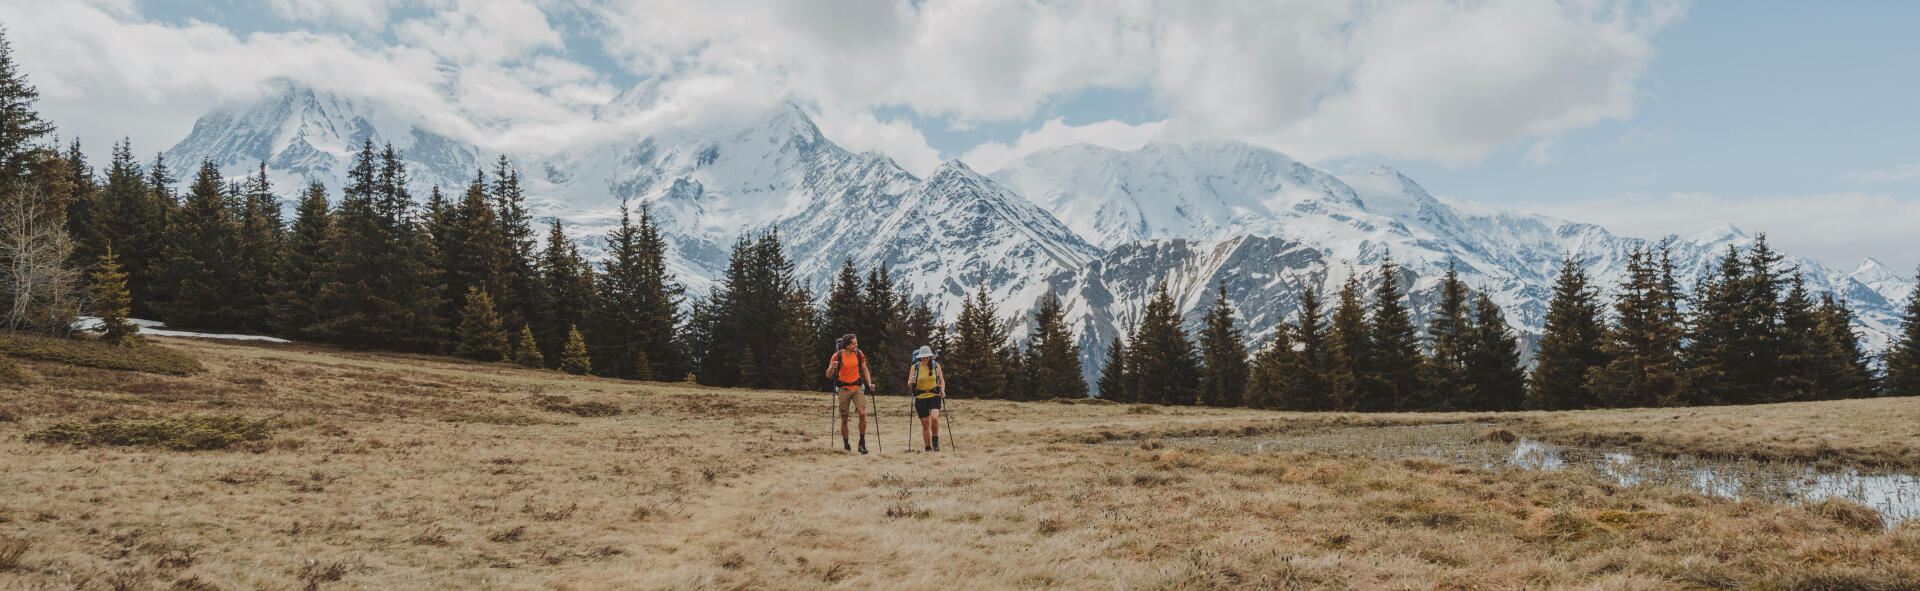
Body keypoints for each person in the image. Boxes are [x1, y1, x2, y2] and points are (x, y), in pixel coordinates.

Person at [825, 334, 874, 454]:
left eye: (856, 343)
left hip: (857, 387)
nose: (856, 345)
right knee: (844, 419)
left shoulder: (858, 353)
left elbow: (864, 369)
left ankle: (862, 443)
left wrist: (870, 383)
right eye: (853, 343)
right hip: (843, 389)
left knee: (862, 413)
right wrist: (832, 367)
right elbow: (828, 375)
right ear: (847, 345)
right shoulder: (837, 356)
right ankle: (846, 443)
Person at [906, 346, 946, 452]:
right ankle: (928, 447)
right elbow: (909, 383)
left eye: (926, 357)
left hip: (934, 396)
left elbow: (941, 381)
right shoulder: (915, 367)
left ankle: (935, 439)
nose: (924, 359)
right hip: (920, 397)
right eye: (922, 357)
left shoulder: (936, 366)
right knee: (925, 424)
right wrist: (912, 382)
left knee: (934, 418)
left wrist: (942, 390)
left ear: (930, 356)